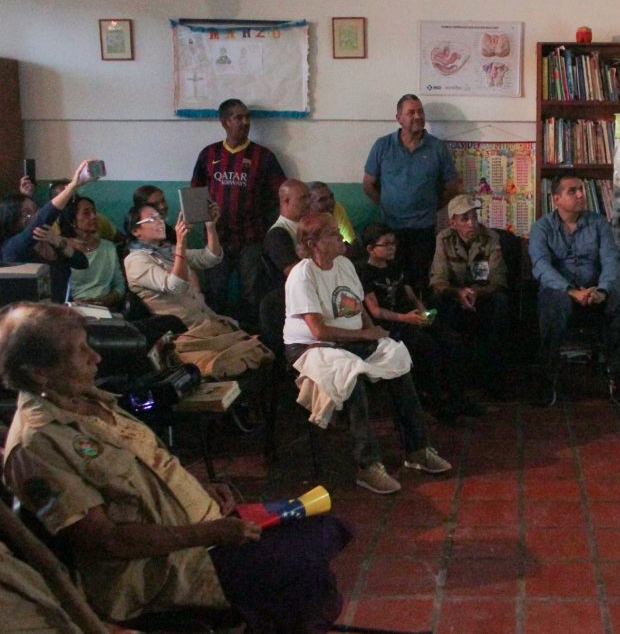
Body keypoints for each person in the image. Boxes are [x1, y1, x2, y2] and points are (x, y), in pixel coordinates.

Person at [0, 302, 351, 631]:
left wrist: (200, 489)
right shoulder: (38, 443)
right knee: (299, 573)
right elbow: (106, 542)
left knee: (323, 528)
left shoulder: (89, 400)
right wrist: (210, 534)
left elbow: (151, 467)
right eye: (79, 352)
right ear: (39, 373)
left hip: (201, 532)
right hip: (164, 569)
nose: (96, 357)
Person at [284, 213, 451, 494]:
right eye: (333, 234)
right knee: (352, 377)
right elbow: (319, 331)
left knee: (396, 357)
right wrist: (365, 336)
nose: (341, 238)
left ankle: (418, 449)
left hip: (352, 339)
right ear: (314, 244)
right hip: (313, 347)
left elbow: (357, 306)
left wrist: (372, 331)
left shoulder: (345, 264)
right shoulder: (302, 275)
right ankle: (368, 465)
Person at [529, 175, 620, 406]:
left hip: (594, 290)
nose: (581, 194)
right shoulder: (542, 227)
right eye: (572, 191)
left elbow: (610, 260)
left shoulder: (599, 223)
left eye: (581, 189)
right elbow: (541, 266)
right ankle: (547, 379)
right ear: (556, 199)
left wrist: (602, 290)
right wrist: (570, 291)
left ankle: (617, 375)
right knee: (553, 306)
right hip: (559, 292)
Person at [359, 221, 480, 422]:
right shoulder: (365, 273)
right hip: (391, 324)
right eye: (386, 244)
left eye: (393, 243)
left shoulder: (396, 266)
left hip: (412, 316)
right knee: (427, 346)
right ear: (371, 249)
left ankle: (458, 397)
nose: (392, 248)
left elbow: (411, 296)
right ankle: (435, 401)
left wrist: (424, 313)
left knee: (452, 339)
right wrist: (405, 318)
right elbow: (375, 310)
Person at [191, 98, 287, 324]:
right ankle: (216, 333)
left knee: (252, 293)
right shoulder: (209, 154)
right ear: (225, 122)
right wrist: (202, 225)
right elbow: (195, 191)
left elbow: (281, 194)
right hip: (217, 238)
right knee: (215, 292)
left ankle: (252, 335)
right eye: (239, 117)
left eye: (247, 117)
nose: (245, 122)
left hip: (252, 237)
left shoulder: (263, 156)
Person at [362, 94, 461, 292]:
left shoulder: (437, 147)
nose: (417, 116)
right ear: (399, 118)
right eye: (411, 112)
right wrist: (387, 204)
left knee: (420, 281)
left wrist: (432, 206)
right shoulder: (383, 146)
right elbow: (368, 184)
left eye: (420, 112)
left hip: (423, 229)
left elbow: (452, 186)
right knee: (393, 281)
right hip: (391, 229)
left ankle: (420, 312)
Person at [429, 194, 511, 394]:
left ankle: (494, 380)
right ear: (453, 222)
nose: (471, 223)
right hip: (455, 296)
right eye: (464, 218)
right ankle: (450, 380)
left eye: (474, 217)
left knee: (501, 302)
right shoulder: (444, 239)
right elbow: (438, 280)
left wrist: (474, 293)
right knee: (436, 302)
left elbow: (498, 280)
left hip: (483, 296)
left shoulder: (491, 238)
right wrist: (459, 293)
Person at [1, 161, 93, 303]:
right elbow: (44, 218)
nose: (35, 215)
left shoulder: (49, 240)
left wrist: (58, 241)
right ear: (13, 221)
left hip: (60, 308)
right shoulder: (13, 247)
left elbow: (82, 263)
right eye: (27, 213)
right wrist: (72, 186)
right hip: (32, 313)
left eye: (35, 210)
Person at [124, 201, 222, 327]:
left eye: (160, 217)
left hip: (207, 319)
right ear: (135, 231)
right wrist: (181, 244)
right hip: (184, 329)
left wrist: (210, 226)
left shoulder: (167, 250)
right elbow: (175, 286)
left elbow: (210, 258)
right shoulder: (136, 261)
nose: (160, 222)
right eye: (152, 219)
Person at [57, 196, 125, 309]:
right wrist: (74, 302)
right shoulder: (62, 248)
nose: (94, 216)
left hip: (105, 308)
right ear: (72, 221)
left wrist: (107, 300)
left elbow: (119, 285)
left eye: (94, 212)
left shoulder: (108, 247)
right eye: (86, 213)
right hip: (71, 309)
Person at [263, 179, 311, 287]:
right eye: (303, 198)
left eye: (309, 197)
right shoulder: (277, 235)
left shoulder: (309, 225)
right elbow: (295, 274)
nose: (309, 202)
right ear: (286, 201)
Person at [308, 181, 358, 251]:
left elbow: (351, 241)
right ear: (310, 204)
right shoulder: (305, 221)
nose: (330, 202)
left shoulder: (336, 207)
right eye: (322, 200)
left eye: (331, 197)